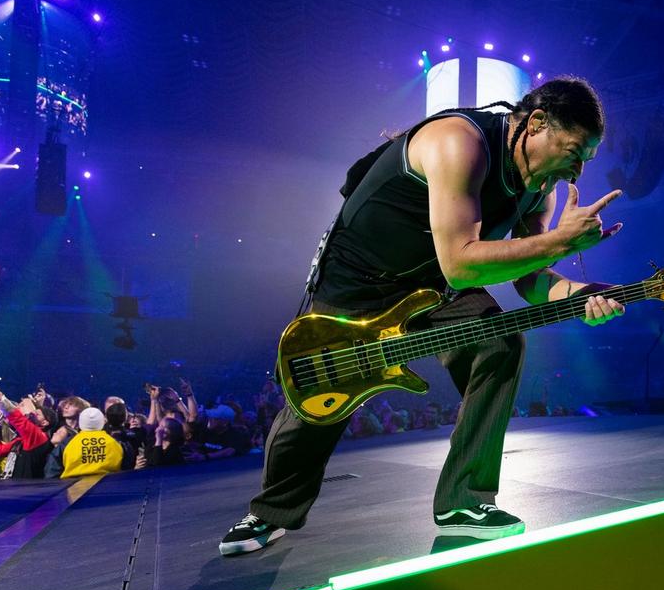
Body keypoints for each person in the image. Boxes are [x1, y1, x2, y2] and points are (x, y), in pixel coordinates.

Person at [220, 76, 626, 556]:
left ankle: (464, 502)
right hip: (359, 279)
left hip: (432, 285)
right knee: (320, 395)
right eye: (574, 152)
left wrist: (580, 295)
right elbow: (462, 263)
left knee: (498, 343)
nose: (578, 171)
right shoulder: (460, 142)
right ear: (536, 123)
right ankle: (269, 512)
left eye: (587, 159)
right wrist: (559, 241)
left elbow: (530, 277)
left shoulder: (542, 190)